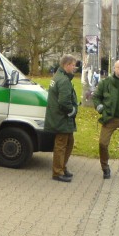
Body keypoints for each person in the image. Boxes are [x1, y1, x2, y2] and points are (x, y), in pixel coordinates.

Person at [44, 54, 78, 183]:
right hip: (62, 118)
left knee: (68, 142)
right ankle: (57, 172)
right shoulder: (63, 80)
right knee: (61, 145)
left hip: (59, 116)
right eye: (73, 65)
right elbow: (64, 102)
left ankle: (62, 168)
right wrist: (72, 110)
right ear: (67, 65)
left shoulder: (57, 77)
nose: (74, 68)